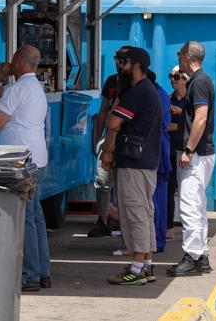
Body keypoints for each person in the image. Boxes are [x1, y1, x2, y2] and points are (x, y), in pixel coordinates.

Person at [0, 45, 51, 292]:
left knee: (26, 219)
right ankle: (43, 272)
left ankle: (30, 276)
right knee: (36, 217)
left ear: (19, 60)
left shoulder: (18, 89)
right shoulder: (33, 88)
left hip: (22, 161)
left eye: (13, 58)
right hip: (37, 159)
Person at [101, 48, 162, 285]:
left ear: (135, 65)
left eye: (123, 63)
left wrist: (107, 151)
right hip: (144, 163)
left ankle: (135, 270)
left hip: (134, 164)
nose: (119, 67)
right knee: (144, 213)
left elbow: (114, 122)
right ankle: (145, 265)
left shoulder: (138, 92)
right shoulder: (146, 90)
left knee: (135, 214)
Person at [167, 41, 216, 277]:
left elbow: (200, 119)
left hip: (195, 155)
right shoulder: (200, 81)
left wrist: (188, 150)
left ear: (187, 56)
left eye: (180, 54)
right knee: (197, 205)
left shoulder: (199, 82)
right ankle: (202, 255)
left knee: (188, 205)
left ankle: (193, 255)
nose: (178, 58)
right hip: (201, 153)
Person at [88, 46, 133, 237]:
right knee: (102, 181)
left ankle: (126, 225)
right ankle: (103, 220)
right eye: (116, 57)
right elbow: (103, 110)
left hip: (125, 140)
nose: (116, 61)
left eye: (120, 58)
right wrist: (97, 139)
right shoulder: (110, 82)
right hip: (107, 138)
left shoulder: (134, 84)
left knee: (124, 184)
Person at [147, 70, 172, 252]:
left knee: (155, 199)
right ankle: (157, 238)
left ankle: (155, 239)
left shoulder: (155, 95)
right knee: (158, 199)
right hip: (159, 151)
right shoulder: (162, 94)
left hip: (154, 153)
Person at [167, 66, 189, 240]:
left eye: (177, 76)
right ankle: (168, 227)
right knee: (168, 189)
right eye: (171, 76)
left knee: (188, 191)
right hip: (170, 150)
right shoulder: (168, 99)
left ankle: (190, 229)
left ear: (185, 79)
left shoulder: (192, 100)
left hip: (187, 152)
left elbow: (199, 122)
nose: (173, 79)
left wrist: (181, 116)